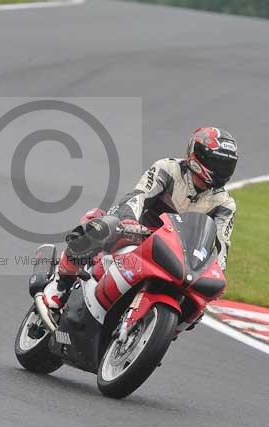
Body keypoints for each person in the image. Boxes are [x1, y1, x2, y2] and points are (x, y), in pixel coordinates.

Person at [41, 127, 239, 324]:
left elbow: (221, 243)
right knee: (104, 226)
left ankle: (161, 328)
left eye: (227, 166)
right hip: (137, 232)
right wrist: (130, 220)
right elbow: (139, 195)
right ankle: (60, 284)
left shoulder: (224, 204)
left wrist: (218, 272)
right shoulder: (168, 169)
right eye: (217, 163)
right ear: (197, 156)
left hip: (177, 253)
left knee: (198, 305)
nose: (221, 170)